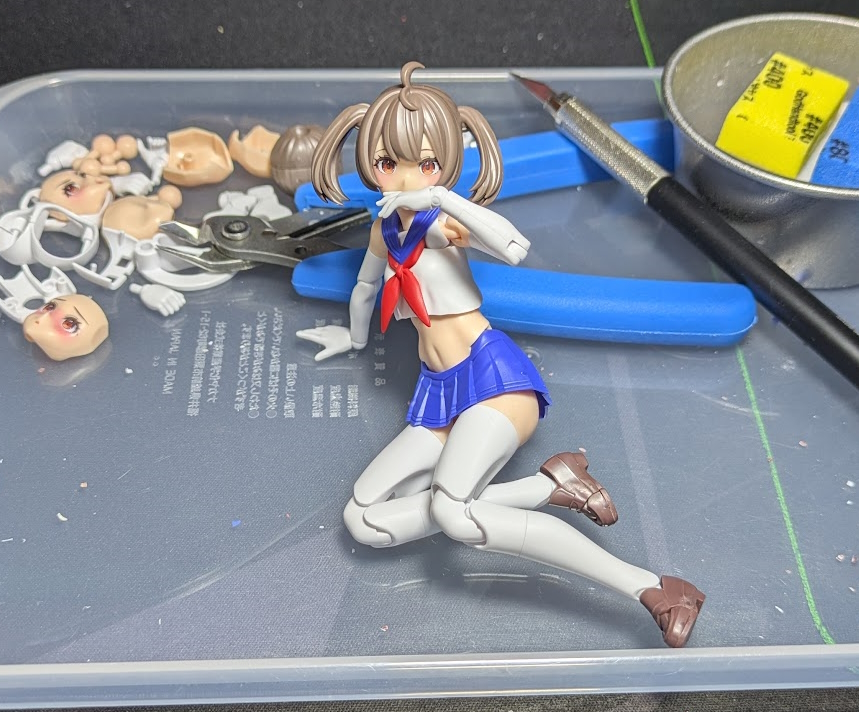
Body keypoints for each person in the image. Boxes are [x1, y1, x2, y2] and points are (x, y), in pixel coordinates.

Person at [297, 61, 705, 648]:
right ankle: (549, 485)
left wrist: (443, 197)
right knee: (363, 518)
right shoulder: (383, 230)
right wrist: (353, 338)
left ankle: (654, 587)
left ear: (444, 166)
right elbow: (365, 286)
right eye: (388, 163)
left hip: (492, 380)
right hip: (439, 393)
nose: (405, 177)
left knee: (454, 514)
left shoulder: (442, 223)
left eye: (425, 164)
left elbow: (513, 247)